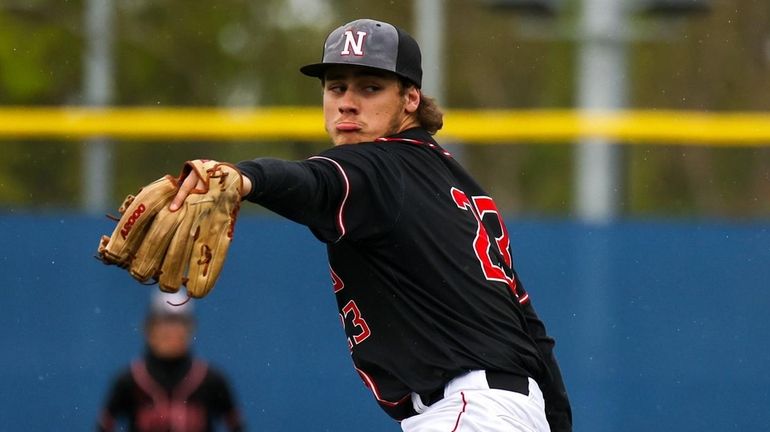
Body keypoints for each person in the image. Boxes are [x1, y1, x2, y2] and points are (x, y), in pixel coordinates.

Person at [170, 18, 571, 432]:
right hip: (506, 410)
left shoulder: (380, 166)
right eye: (336, 86)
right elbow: (531, 331)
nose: (347, 102)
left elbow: (315, 182)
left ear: (410, 98)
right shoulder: (453, 183)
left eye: (370, 88)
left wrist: (243, 178)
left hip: (471, 411)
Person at [97, 292, 245, 432]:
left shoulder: (211, 380)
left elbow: (237, 427)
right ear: (148, 329)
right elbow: (103, 427)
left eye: (179, 324)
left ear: (191, 329)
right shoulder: (129, 380)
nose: (171, 331)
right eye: (163, 323)